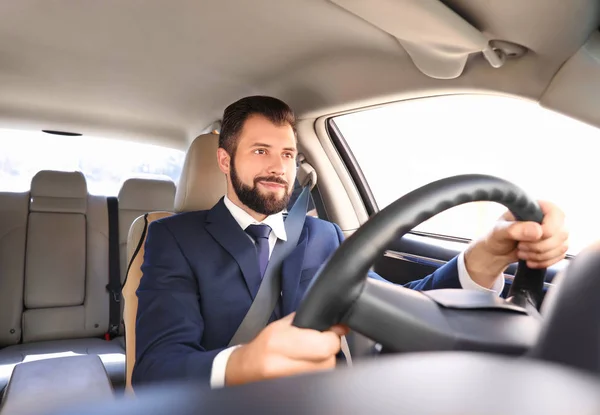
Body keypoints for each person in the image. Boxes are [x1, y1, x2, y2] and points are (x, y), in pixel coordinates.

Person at [132, 95, 569, 389]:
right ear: (225, 161)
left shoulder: (323, 233)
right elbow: (155, 368)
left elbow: (398, 304)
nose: (278, 167)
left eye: (287, 154)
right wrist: (243, 364)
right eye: (260, 151)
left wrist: (484, 257)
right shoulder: (174, 238)